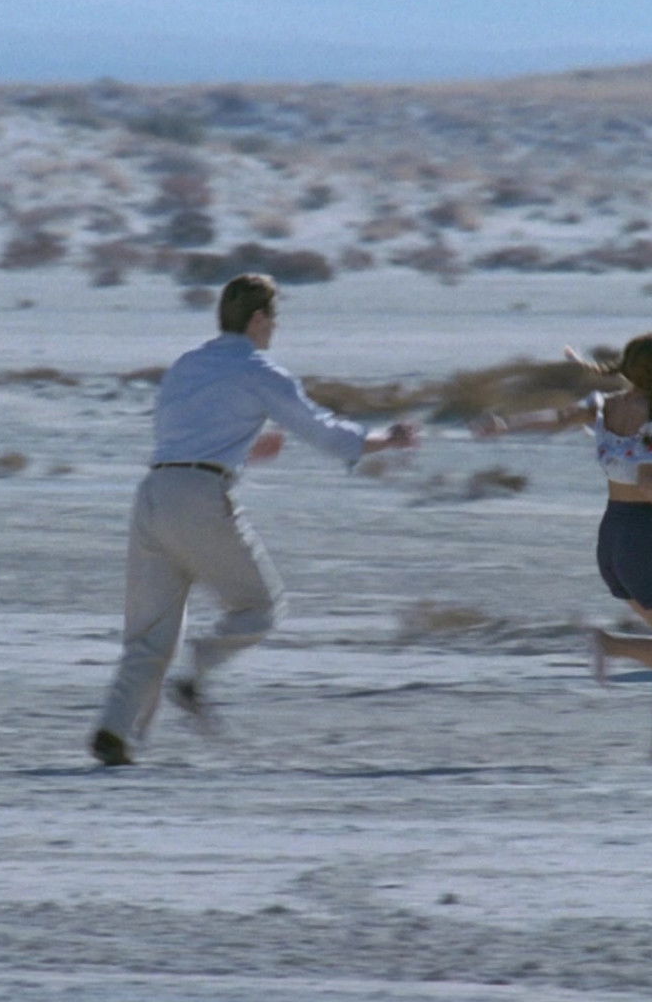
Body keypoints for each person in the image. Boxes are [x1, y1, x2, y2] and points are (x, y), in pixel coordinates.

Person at [90, 273, 420, 766]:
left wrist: (240, 451)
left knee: (149, 635)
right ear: (259, 318)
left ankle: (115, 732)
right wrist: (386, 440)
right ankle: (194, 673)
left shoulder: (187, 364)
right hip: (201, 498)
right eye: (275, 318)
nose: (276, 328)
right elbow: (327, 434)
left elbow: (184, 436)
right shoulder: (260, 370)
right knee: (260, 606)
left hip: (154, 494)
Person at [471, 331, 652, 762]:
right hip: (644, 538)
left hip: (611, 538)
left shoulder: (604, 405)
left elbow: (557, 417)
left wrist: (504, 425)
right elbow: (648, 483)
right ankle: (609, 644)